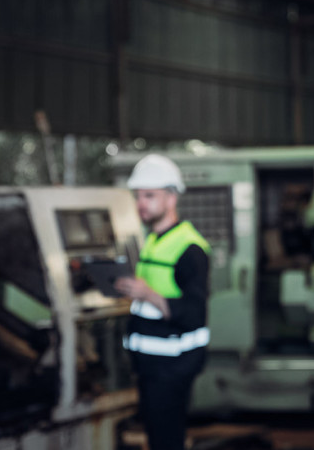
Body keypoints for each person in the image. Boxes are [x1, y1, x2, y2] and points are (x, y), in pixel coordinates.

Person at [115, 153, 210, 450]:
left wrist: (148, 294)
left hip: (173, 366)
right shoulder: (153, 240)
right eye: (138, 196)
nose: (141, 203)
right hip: (150, 365)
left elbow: (194, 314)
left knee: (167, 440)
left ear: (171, 198)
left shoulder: (189, 248)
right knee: (157, 438)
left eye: (149, 196)